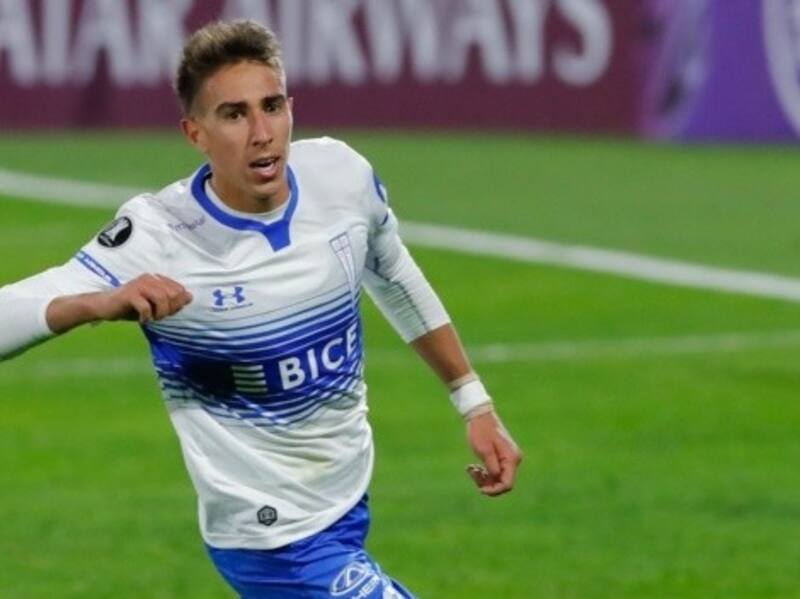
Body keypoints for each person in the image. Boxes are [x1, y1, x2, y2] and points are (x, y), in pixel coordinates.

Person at [0, 20, 522, 598]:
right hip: (272, 539)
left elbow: (393, 272)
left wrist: (473, 402)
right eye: (234, 114)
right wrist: (98, 303)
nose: (261, 133)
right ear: (195, 133)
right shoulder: (160, 235)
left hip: (344, 501)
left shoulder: (340, 177)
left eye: (272, 107)